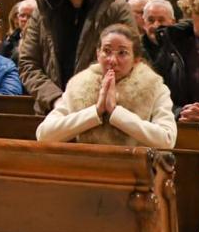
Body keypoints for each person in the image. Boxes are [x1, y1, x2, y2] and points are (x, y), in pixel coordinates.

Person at [18, 0, 136, 113]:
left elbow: (130, 58)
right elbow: (28, 63)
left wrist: (83, 98)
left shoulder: (116, 8)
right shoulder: (43, 10)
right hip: (52, 109)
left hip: (98, 107)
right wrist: (54, 98)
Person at [35, 24, 175, 148]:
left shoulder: (154, 87)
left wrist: (116, 113)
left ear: (136, 60)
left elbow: (167, 139)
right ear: (98, 54)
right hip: (85, 165)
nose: (112, 60)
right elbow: (44, 134)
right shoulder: (78, 86)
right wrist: (95, 112)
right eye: (106, 51)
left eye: (122, 53)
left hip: (134, 166)